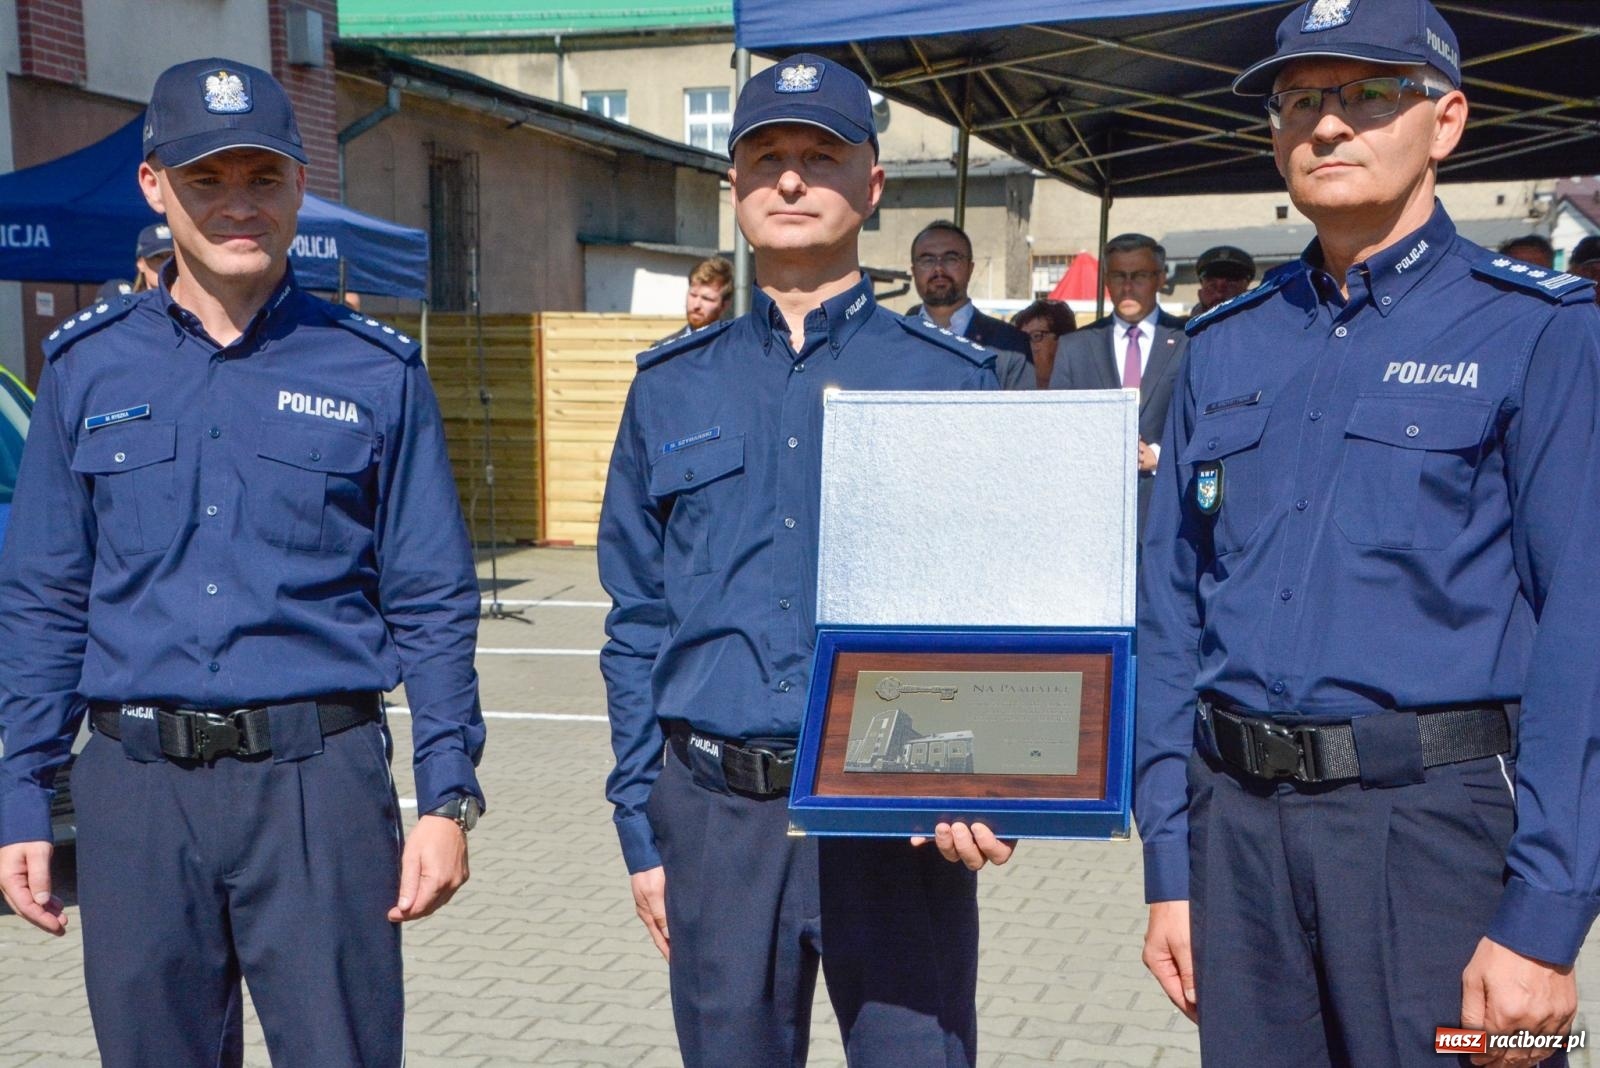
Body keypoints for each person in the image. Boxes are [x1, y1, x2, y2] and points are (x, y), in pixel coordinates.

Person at [1137, 2, 1600, 1066]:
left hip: (1435, 839)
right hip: (1237, 836)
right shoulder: (1222, 346)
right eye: (1300, 99)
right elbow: (1168, 613)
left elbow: (1582, 627)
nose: (1328, 125)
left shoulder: (1534, 330)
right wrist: (1170, 860)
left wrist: (1543, 916)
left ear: (1445, 122)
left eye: (1368, 94)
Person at [0, 58, 486, 1068]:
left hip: (318, 788)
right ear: (154, 185)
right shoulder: (87, 371)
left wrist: (444, 797)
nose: (237, 205)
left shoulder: (375, 370)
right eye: (207, 179)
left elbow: (432, 599)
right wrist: (20, 795)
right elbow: (45, 599)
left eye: (262, 178)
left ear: (300, 185)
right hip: (134, 795)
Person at [598, 53, 1013, 1068]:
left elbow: (1004, 604)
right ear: (735, 185)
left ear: (872, 184)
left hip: (898, 822)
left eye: (818, 156)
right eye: (766, 158)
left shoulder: (950, 383)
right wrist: (640, 820)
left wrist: (1000, 776)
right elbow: (635, 618)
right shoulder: (668, 389)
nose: (790, 179)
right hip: (717, 821)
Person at [1048, 233, 1186, 536]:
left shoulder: (1189, 340)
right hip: (1093, 512)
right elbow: (1057, 426)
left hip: (1166, 510)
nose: (1127, 286)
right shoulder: (1076, 347)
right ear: (1106, 280)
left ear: (1160, 278)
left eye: (1139, 276)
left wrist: (1158, 455)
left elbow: (1202, 418)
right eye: (1118, 276)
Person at [906, 219, 1034, 389]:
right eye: (927, 260)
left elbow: (1022, 414)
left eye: (951, 259)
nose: (939, 269)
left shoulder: (1010, 345)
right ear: (914, 271)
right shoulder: (892, 341)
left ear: (970, 268)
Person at [656, 255, 734, 345]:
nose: (696, 305)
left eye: (707, 299)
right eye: (693, 295)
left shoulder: (734, 348)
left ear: (724, 305)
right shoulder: (664, 350)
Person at [1011, 298, 1076, 388]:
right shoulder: (1009, 394)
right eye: (1022, 338)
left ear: (1062, 341)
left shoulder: (1086, 393)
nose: (1026, 346)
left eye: (1036, 336)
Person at [1189, 244, 1256, 316]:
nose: (1220, 287)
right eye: (1211, 280)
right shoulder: (1182, 326)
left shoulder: (1263, 323)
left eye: (1232, 278)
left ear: (1246, 290)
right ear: (1201, 293)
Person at [133, 221, 173, 291]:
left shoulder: (195, 300)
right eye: (157, 257)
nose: (165, 263)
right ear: (140, 264)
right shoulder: (128, 301)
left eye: (172, 257)